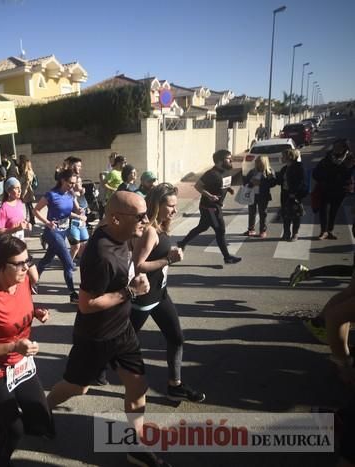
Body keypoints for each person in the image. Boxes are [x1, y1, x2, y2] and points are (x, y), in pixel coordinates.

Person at [46, 192, 167, 467]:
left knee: (138, 385)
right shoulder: (99, 254)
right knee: (79, 387)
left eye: (145, 214)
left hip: (122, 329)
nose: (146, 220)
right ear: (116, 218)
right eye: (140, 216)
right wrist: (130, 291)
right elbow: (87, 305)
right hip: (96, 336)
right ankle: (38, 410)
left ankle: (136, 446)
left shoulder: (117, 230)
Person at [0, 234, 53, 466]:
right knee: (15, 430)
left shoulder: (22, 282)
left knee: (41, 418)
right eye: (20, 263)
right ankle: (2, 456)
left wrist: (36, 313)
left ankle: (0, 421)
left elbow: (20, 309)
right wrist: (14, 346)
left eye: (28, 261)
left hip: (22, 365)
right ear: (1, 267)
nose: (27, 267)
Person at [131, 183, 205, 402]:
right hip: (143, 299)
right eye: (171, 205)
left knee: (176, 338)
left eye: (175, 205)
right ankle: (93, 370)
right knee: (122, 342)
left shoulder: (161, 227)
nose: (175, 210)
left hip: (160, 294)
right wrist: (167, 259)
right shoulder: (150, 231)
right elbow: (138, 265)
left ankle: (175, 385)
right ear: (157, 205)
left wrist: (167, 254)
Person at [177, 149, 241, 264]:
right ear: (220, 161)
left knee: (202, 227)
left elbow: (222, 184)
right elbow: (198, 186)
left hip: (215, 206)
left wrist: (229, 189)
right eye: (228, 158)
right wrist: (210, 196)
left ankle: (182, 243)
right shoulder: (211, 174)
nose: (231, 160)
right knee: (220, 230)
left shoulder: (226, 171)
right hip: (210, 207)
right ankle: (227, 257)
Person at [33, 169, 82, 303]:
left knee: (47, 259)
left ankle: (32, 281)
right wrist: (47, 223)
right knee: (68, 263)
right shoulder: (51, 194)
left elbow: (67, 213)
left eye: (74, 183)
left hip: (64, 231)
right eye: (70, 183)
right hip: (52, 232)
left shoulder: (70, 194)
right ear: (62, 180)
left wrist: (79, 214)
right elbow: (35, 210)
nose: (72, 186)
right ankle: (72, 293)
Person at [312, 139, 352, 240]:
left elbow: (349, 175)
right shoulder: (328, 158)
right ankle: (323, 231)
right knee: (323, 210)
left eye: (339, 147)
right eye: (335, 146)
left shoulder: (349, 159)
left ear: (344, 148)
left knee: (334, 211)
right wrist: (322, 179)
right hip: (325, 188)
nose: (336, 149)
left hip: (340, 190)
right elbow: (316, 172)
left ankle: (329, 230)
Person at [276, 148, 307, 241]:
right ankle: (286, 233)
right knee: (285, 214)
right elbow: (279, 181)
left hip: (295, 195)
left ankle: (295, 234)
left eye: (283, 156)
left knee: (295, 215)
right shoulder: (285, 168)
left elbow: (301, 182)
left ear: (289, 157)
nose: (281, 158)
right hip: (285, 194)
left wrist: (294, 193)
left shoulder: (298, 167)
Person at [242, 155, 276, 238]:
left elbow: (273, 183)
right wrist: (251, 182)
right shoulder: (253, 171)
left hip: (263, 195)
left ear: (263, 162)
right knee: (251, 212)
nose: (256, 163)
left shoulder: (269, 172)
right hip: (252, 195)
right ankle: (251, 229)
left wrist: (260, 183)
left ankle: (262, 231)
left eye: (258, 162)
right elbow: (245, 181)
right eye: (256, 162)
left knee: (263, 213)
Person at [68, 176, 89, 263]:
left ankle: (81, 262)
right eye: (78, 182)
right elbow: (66, 212)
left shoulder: (82, 194)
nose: (81, 184)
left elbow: (85, 208)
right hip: (72, 223)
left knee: (84, 245)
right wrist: (79, 215)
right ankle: (68, 264)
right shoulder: (69, 195)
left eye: (81, 182)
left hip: (82, 223)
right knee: (75, 246)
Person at [18, 156, 38, 225]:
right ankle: (31, 219)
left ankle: (32, 219)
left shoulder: (28, 172)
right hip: (27, 190)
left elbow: (27, 182)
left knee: (29, 206)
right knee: (28, 205)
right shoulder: (29, 172)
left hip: (27, 191)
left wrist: (23, 192)